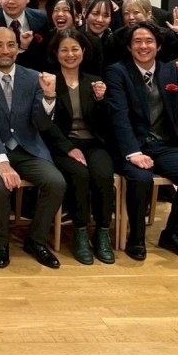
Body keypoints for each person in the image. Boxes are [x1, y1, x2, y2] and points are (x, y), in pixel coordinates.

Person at [105, 23, 178, 262]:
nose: (143, 46)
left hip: (165, 146)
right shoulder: (117, 72)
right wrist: (133, 152)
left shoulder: (170, 71)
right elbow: (118, 116)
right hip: (132, 146)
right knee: (141, 179)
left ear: (158, 46)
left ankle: (174, 235)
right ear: (129, 46)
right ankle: (136, 238)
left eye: (149, 41)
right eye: (137, 41)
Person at [0, 27, 66, 270]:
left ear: (18, 48)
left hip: (27, 148)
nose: (5, 50)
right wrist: (3, 163)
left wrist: (49, 98)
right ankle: (1, 244)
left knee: (56, 182)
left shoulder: (33, 77)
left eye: (11, 45)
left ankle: (35, 241)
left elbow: (41, 124)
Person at [46, 29, 116, 265]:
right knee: (79, 174)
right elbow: (45, 123)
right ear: (56, 53)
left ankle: (103, 232)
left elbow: (106, 123)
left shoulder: (94, 81)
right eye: (64, 50)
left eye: (75, 49)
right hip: (62, 144)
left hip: (93, 143)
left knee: (103, 174)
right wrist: (68, 148)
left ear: (83, 51)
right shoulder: (49, 81)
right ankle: (80, 231)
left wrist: (101, 100)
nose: (70, 54)